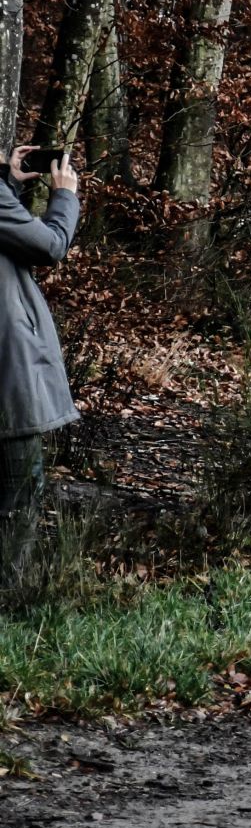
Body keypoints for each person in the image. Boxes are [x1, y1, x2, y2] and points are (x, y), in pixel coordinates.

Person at [1, 145, 82, 595]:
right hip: (7, 374)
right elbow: (49, 246)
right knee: (19, 488)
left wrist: (10, 186)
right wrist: (65, 196)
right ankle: (8, 598)